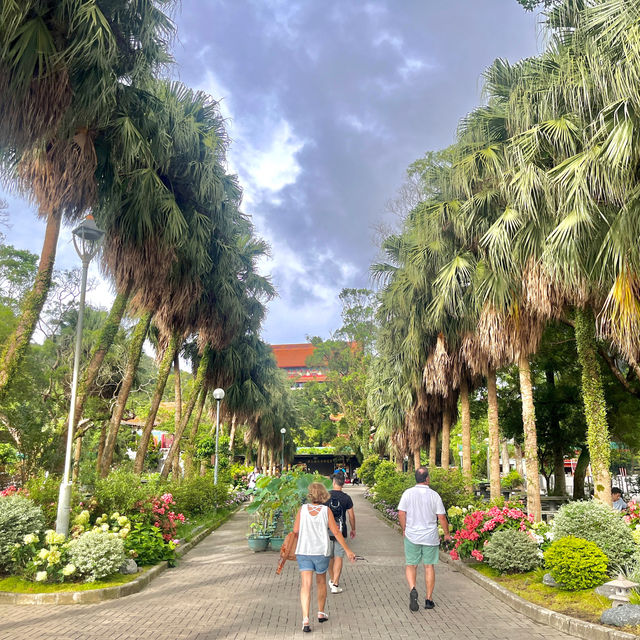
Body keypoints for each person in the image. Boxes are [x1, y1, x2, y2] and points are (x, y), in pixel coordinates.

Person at [293, 482, 356, 633]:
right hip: (321, 552)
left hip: (304, 551)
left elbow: (295, 530)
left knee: (306, 585)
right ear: (323, 495)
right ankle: (321, 613)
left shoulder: (302, 509)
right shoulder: (325, 511)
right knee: (321, 582)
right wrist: (347, 550)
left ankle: (306, 619)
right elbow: (336, 532)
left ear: (310, 494)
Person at [398, 466, 451, 612]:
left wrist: (404, 529)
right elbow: (441, 517)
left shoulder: (407, 493)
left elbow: (401, 513)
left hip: (411, 535)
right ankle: (428, 599)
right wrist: (446, 534)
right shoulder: (434, 495)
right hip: (430, 536)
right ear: (427, 479)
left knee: (411, 565)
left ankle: (413, 588)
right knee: (429, 566)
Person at [324, 471, 356, 594]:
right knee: (339, 557)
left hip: (327, 532)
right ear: (343, 484)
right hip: (341, 532)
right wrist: (353, 529)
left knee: (330, 557)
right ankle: (335, 583)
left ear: (333, 482)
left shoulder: (326, 496)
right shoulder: (346, 498)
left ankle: (332, 579)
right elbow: (351, 516)